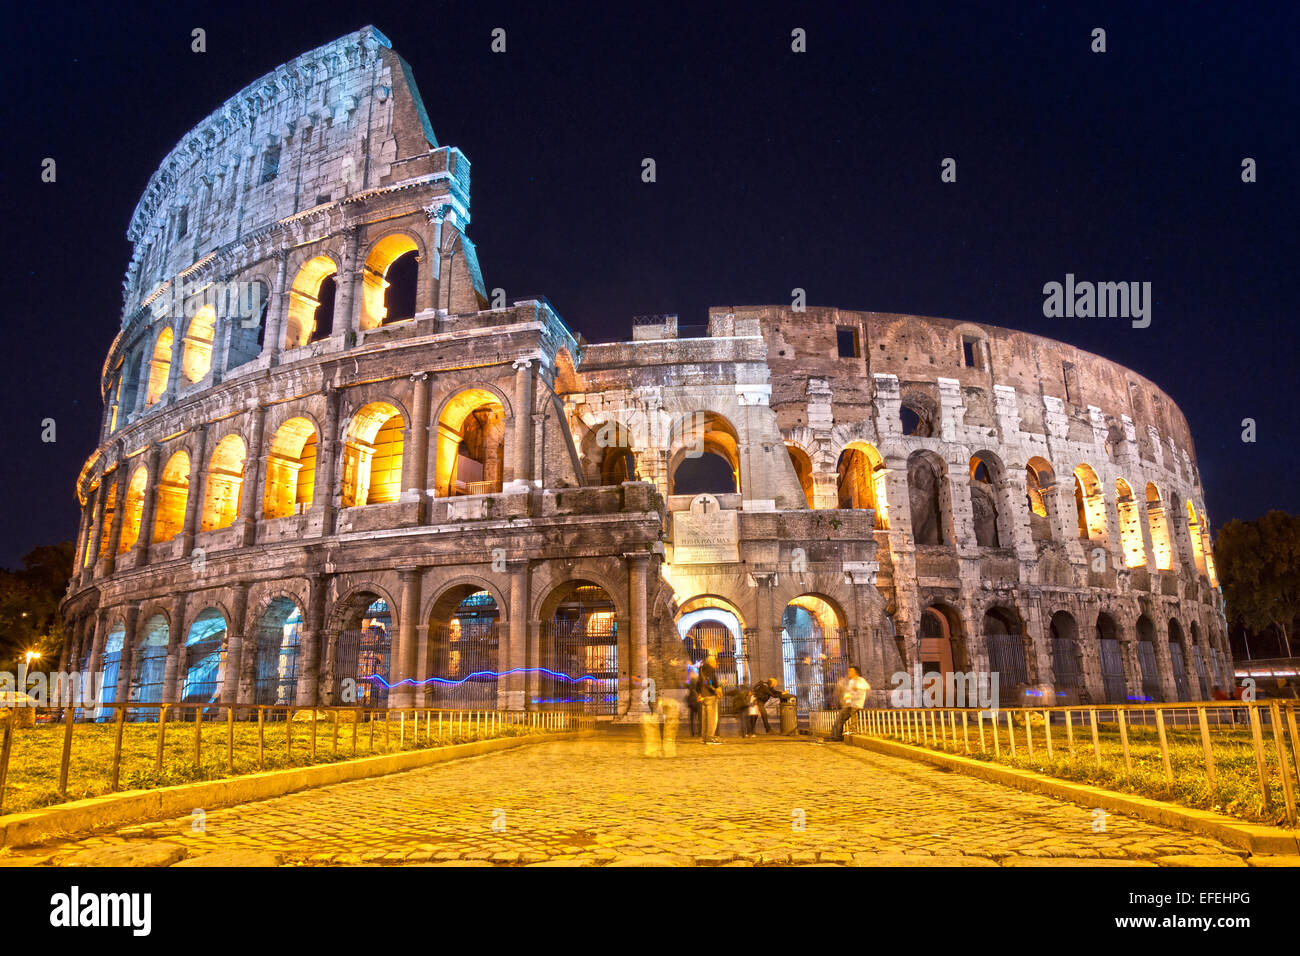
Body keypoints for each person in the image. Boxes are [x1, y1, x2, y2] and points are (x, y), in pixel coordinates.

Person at [831, 664, 870, 742]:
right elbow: (848, 693)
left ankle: (839, 736)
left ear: (856, 672)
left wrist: (857, 687)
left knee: (844, 719)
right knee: (840, 719)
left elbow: (866, 687)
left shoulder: (860, 680)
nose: (849, 672)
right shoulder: (850, 681)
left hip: (856, 704)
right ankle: (836, 736)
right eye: (849, 671)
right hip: (849, 704)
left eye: (851, 671)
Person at [698, 652, 723, 745]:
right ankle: (710, 738)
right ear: (711, 662)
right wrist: (715, 688)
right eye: (715, 661)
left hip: (704, 696)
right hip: (710, 696)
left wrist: (700, 693)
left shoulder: (701, 670)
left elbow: (699, 683)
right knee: (712, 719)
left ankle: (704, 737)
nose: (716, 663)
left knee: (705, 719)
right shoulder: (710, 669)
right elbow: (710, 681)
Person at [685, 667, 702, 737]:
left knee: (692, 718)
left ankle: (693, 732)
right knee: (699, 718)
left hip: (693, 701)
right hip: (696, 701)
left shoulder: (691, 681)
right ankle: (699, 732)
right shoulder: (698, 680)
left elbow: (686, 685)